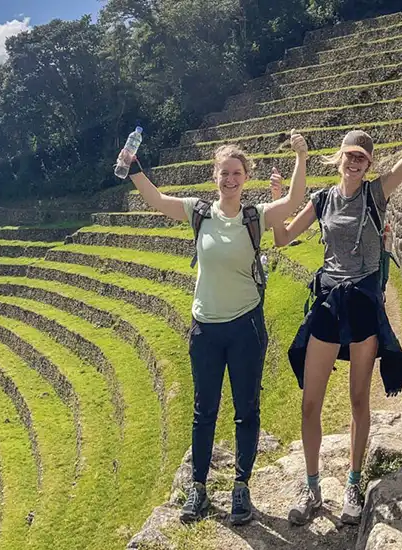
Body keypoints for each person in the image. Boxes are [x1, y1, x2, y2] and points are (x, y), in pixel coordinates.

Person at [278, 65, 402, 527]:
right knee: (310, 401)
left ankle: (354, 485)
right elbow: (281, 238)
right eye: (349, 156)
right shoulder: (321, 201)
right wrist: (279, 196)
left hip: (361, 304)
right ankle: (313, 485)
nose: (355, 163)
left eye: (362, 157)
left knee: (359, 398)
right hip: (327, 301)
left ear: (368, 163)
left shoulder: (376, 195)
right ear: (338, 159)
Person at [119, 131, 309, 526]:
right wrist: (133, 166)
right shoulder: (198, 211)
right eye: (224, 173)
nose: (230, 179)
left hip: (245, 325)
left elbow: (293, 202)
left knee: (245, 410)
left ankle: (241, 487)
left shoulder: (256, 216)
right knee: (204, 411)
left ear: (246, 177)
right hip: (205, 327)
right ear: (214, 176)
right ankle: (200, 489)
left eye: (237, 173)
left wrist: (301, 157)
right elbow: (156, 201)